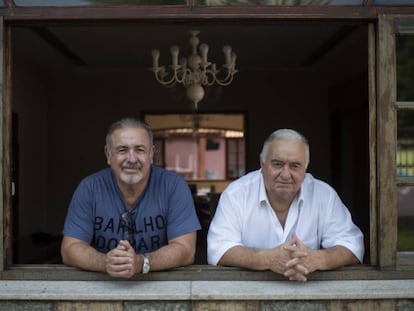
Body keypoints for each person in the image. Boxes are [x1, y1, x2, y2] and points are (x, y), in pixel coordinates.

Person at [207, 128, 364, 282]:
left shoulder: (324, 195)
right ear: (262, 163)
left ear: (305, 167)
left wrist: (316, 259)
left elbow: (352, 246)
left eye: (295, 166)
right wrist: (267, 259)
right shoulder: (236, 194)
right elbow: (219, 250)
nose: (285, 174)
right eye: (277, 164)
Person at [61, 117, 201, 278]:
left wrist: (142, 262)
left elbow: (185, 250)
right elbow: (70, 248)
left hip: (162, 286)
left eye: (140, 150)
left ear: (151, 154)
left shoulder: (173, 186)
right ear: (108, 154)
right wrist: (105, 262)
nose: (132, 159)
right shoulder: (90, 188)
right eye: (122, 150)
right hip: (102, 287)